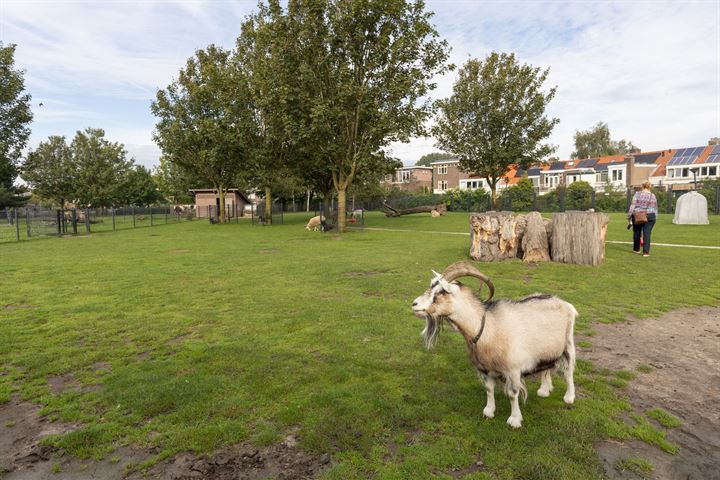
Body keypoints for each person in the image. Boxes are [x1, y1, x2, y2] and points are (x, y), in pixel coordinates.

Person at [628, 181, 658, 257]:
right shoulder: (653, 195)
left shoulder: (637, 194)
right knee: (647, 233)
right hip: (650, 215)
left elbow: (633, 206)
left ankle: (636, 249)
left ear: (642, 186)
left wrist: (629, 216)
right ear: (649, 186)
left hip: (638, 215)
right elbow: (655, 207)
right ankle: (646, 252)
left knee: (637, 232)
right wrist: (655, 217)